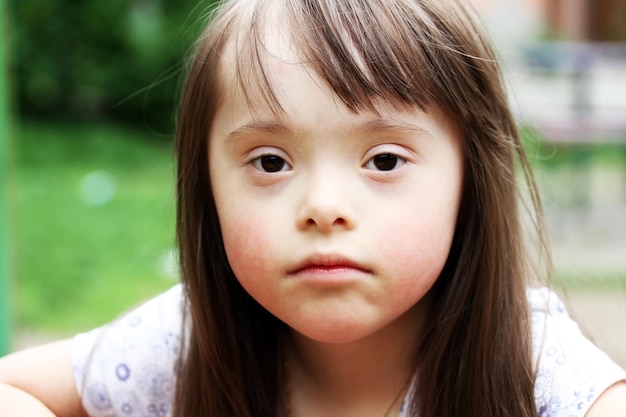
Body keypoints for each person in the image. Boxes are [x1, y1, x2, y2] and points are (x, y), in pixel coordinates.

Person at [1, 0, 625, 416]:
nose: (324, 208)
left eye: (384, 161)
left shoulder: (536, 368)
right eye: (270, 162)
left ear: (470, 179)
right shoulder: (184, 344)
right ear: (207, 187)